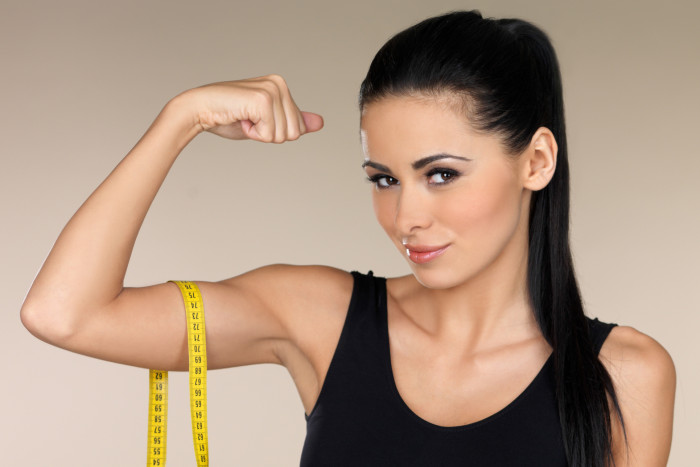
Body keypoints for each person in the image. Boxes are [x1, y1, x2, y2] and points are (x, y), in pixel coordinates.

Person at [20, 10, 674, 467]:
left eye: (441, 174)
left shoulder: (624, 375)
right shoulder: (322, 319)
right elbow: (63, 313)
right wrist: (180, 118)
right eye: (384, 178)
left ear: (536, 161)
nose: (405, 216)